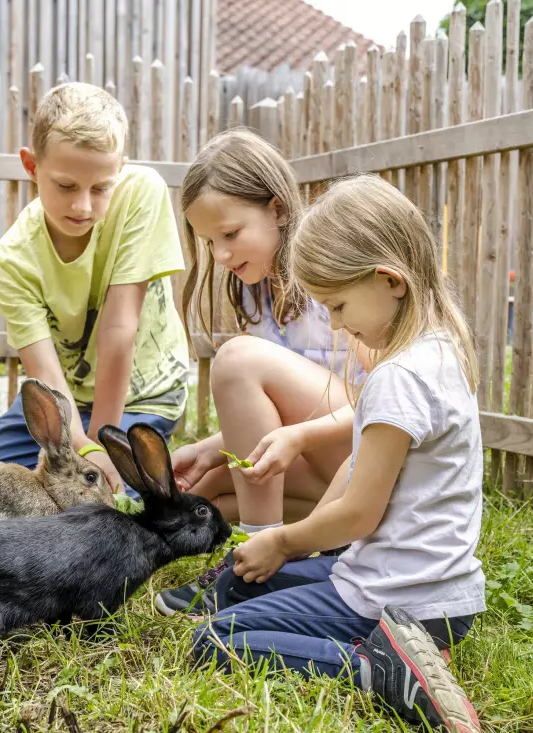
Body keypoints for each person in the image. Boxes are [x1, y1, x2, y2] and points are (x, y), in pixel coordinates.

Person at [191, 175, 485, 732]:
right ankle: (402, 651)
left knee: (214, 640)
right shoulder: (442, 348)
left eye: (339, 305)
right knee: (240, 582)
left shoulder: (397, 378)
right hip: (441, 597)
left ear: (390, 281)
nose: (335, 322)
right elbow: (357, 473)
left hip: (398, 602)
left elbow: (358, 514)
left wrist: (281, 539)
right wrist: (294, 551)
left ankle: (379, 671)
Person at [154, 129, 368, 616]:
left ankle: (257, 569)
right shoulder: (256, 290)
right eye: (211, 242)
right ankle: (263, 550)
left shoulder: (331, 269)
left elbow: (385, 404)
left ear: (277, 208)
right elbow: (282, 404)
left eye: (230, 234)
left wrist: (297, 438)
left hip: (371, 461)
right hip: (331, 467)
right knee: (208, 493)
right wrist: (210, 450)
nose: (223, 255)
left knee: (236, 358)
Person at [0, 82, 190, 493]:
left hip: (143, 397)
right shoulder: (12, 260)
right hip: (64, 399)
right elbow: (46, 374)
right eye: (66, 186)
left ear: (120, 169)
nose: (83, 206)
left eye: (101, 188)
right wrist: (83, 447)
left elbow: (119, 328)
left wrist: (101, 444)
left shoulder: (143, 191)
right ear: (32, 167)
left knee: (110, 502)